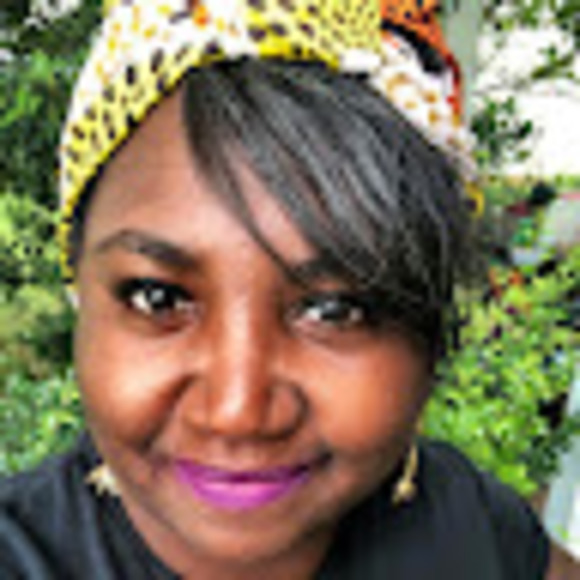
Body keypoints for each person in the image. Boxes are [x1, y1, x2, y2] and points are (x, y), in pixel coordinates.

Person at [1, 0, 579, 578]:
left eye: (336, 309)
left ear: (430, 335)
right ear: (81, 292)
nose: (237, 412)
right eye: (159, 298)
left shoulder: (472, 528)